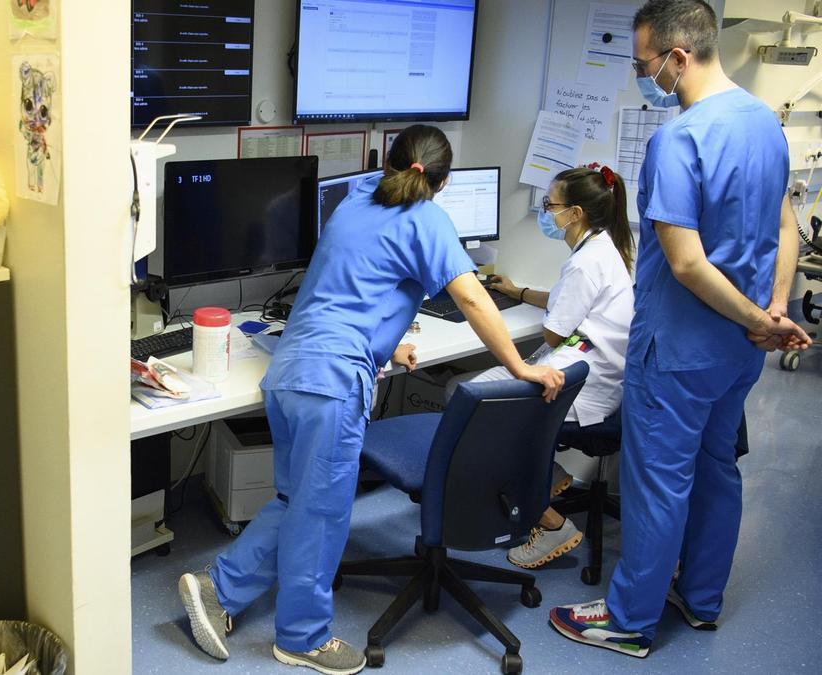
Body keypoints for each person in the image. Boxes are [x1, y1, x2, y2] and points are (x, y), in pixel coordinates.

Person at [177, 125, 565, 675]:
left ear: (389, 164)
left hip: (290, 373)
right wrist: (520, 365)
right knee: (322, 515)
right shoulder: (428, 220)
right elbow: (475, 299)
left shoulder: (354, 199)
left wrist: (388, 339)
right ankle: (303, 639)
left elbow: (353, 283)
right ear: (443, 182)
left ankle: (217, 589)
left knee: (294, 501)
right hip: (332, 385)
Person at [549, 0, 813, 659]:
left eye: (643, 64)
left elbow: (687, 262)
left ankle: (630, 619)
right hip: (739, 350)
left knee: (659, 482)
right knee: (717, 468)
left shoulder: (679, 138)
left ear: (678, 56)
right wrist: (772, 314)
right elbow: (787, 226)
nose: (643, 76)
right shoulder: (763, 123)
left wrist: (762, 319)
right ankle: (700, 599)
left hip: (678, 348)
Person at [464, 164, 635, 570]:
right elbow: (567, 306)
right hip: (598, 377)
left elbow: (555, 335)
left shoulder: (584, 262)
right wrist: (518, 291)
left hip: (578, 387)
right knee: (473, 389)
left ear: (575, 213)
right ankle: (547, 472)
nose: (545, 212)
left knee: (470, 403)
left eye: (549, 205)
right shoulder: (603, 248)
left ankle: (551, 520)